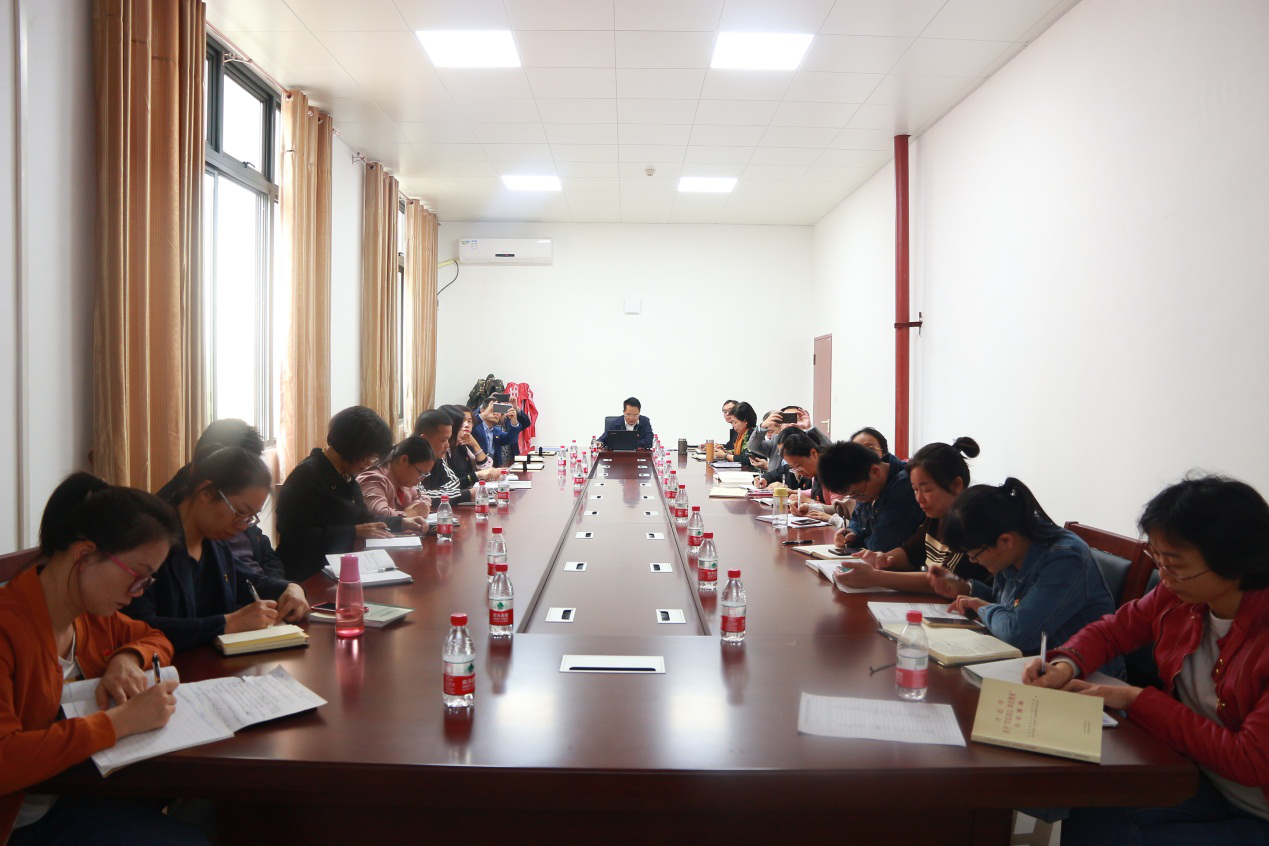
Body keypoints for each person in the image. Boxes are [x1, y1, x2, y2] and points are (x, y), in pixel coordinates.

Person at [1024, 476, 1269, 844]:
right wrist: (1065, 665)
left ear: (1235, 562)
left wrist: (1135, 699)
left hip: (1258, 810)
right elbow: (1113, 630)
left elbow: (1248, 760)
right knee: (1090, 805)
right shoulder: (1181, 596)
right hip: (1200, 778)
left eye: (1175, 565)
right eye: (1158, 559)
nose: (1164, 577)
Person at [1, 473, 206, 845]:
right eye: (137, 576)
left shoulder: (91, 616)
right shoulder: (8, 628)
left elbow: (155, 638)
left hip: (66, 799)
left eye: (148, 582)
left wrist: (127, 658)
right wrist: (119, 721)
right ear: (84, 555)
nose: (138, 592)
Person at [130, 446, 310, 652]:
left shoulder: (213, 542)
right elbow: (139, 625)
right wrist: (227, 623)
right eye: (240, 512)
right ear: (206, 492)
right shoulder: (149, 541)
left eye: (251, 517)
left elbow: (247, 581)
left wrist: (290, 588)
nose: (243, 526)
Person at [939, 477, 1121, 672]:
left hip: (1083, 677)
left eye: (974, 555)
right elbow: (1009, 606)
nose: (973, 561)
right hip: (1032, 663)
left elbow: (1018, 633)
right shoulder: (1017, 543)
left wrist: (983, 609)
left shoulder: (1065, 559)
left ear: (1006, 541)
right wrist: (971, 592)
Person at [276, 406, 423, 581]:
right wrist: (353, 532)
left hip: (339, 565)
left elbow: (363, 519)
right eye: (368, 455)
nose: (369, 463)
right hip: (308, 574)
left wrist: (402, 522)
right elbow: (296, 536)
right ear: (352, 446)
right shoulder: (306, 476)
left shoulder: (345, 475)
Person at [833, 438, 992, 593]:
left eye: (927, 490)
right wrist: (883, 559)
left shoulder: (971, 523)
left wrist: (876, 577)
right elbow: (911, 552)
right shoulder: (936, 515)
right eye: (915, 490)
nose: (919, 499)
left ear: (956, 485)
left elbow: (947, 583)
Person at [156, 418, 285, 579]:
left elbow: (264, 552)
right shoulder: (169, 530)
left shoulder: (232, 511)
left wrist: (281, 586)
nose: (243, 526)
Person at [817, 441, 925, 551]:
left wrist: (861, 541)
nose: (860, 500)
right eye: (852, 497)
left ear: (875, 471)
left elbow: (882, 545)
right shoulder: (866, 484)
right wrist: (852, 533)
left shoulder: (905, 485)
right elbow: (857, 519)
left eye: (858, 494)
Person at [358, 436, 435, 520]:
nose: (421, 479)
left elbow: (423, 498)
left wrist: (416, 507)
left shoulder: (404, 481)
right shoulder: (373, 479)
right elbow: (381, 515)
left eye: (425, 475)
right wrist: (414, 513)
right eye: (421, 473)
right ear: (404, 460)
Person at [414, 408, 472, 505]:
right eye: (443, 440)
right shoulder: (409, 459)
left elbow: (454, 483)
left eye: (448, 439)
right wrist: (467, 494)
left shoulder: (437, 458)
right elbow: (420, 496)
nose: (447, 445)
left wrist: (438, 493)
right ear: (425, 439)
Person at [471, 397, 527, 469]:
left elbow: (511, 439)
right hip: (476, 469)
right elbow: (467, 423)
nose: (496, 414)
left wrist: (514, 421)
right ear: (482, 410)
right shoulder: (474, 427)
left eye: (498, 411)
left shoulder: (497, 431)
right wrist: (483, 415)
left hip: (494, 470)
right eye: (493, 410)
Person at [717, 402, 757, 467]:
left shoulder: (753, 434)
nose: (733, 425)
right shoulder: (742, 433)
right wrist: (726, 452)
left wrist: (724, 455)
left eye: (735, 422)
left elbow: (748, 459)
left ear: (745, 421)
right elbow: (741, 451)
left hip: (753, 471)